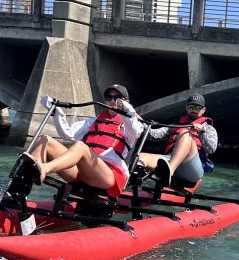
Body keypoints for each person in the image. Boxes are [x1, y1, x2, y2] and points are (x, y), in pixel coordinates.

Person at [17, 84, 145, 198]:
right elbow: (67, 135)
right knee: (44, 140)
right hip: (83, 172)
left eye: (117, 97)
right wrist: (56, 113)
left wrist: (128, 111)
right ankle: (18, 190)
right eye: (108, 97)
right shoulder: (93, 121)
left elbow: (134, 129)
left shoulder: (132, 125)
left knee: (80, 146)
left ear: (126, 101)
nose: (112, 101)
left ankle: (43, 169)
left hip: (108, 176)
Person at [139, 93, 217, 188]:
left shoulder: (208, 129)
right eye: (191, 106)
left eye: (197, 108)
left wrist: (202, 132)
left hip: (191, 166)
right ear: (186, 108)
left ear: (203, 110)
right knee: (140, 158)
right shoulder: (176, 126)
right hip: (169, 160)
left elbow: (211, 149)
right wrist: (138, 121)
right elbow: (152, 135)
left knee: (185, 133)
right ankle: (127, 186)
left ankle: (169, 172)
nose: (193, 110)